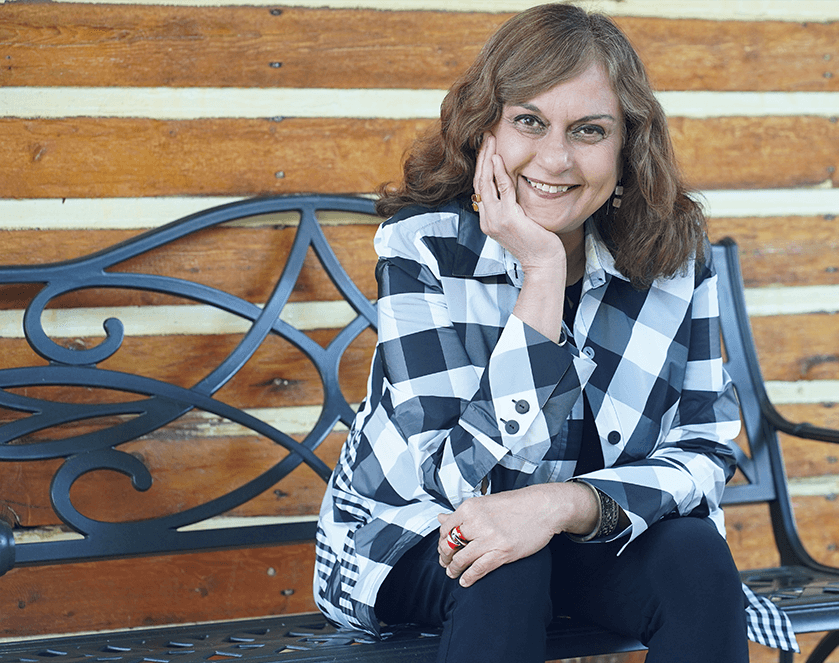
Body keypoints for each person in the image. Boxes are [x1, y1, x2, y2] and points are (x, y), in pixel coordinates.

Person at [314, 4, 798, 661]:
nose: (555, 157)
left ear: (626, 147)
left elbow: (706, 451)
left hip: (584, 533)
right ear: (486, 127)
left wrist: (563, 505)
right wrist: (541, 275)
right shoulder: (424, 248)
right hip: (415, 528)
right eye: (530, 121)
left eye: (589, 130)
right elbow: (449, 479)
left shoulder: (672, 256)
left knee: (695, 553)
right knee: (501, 558)